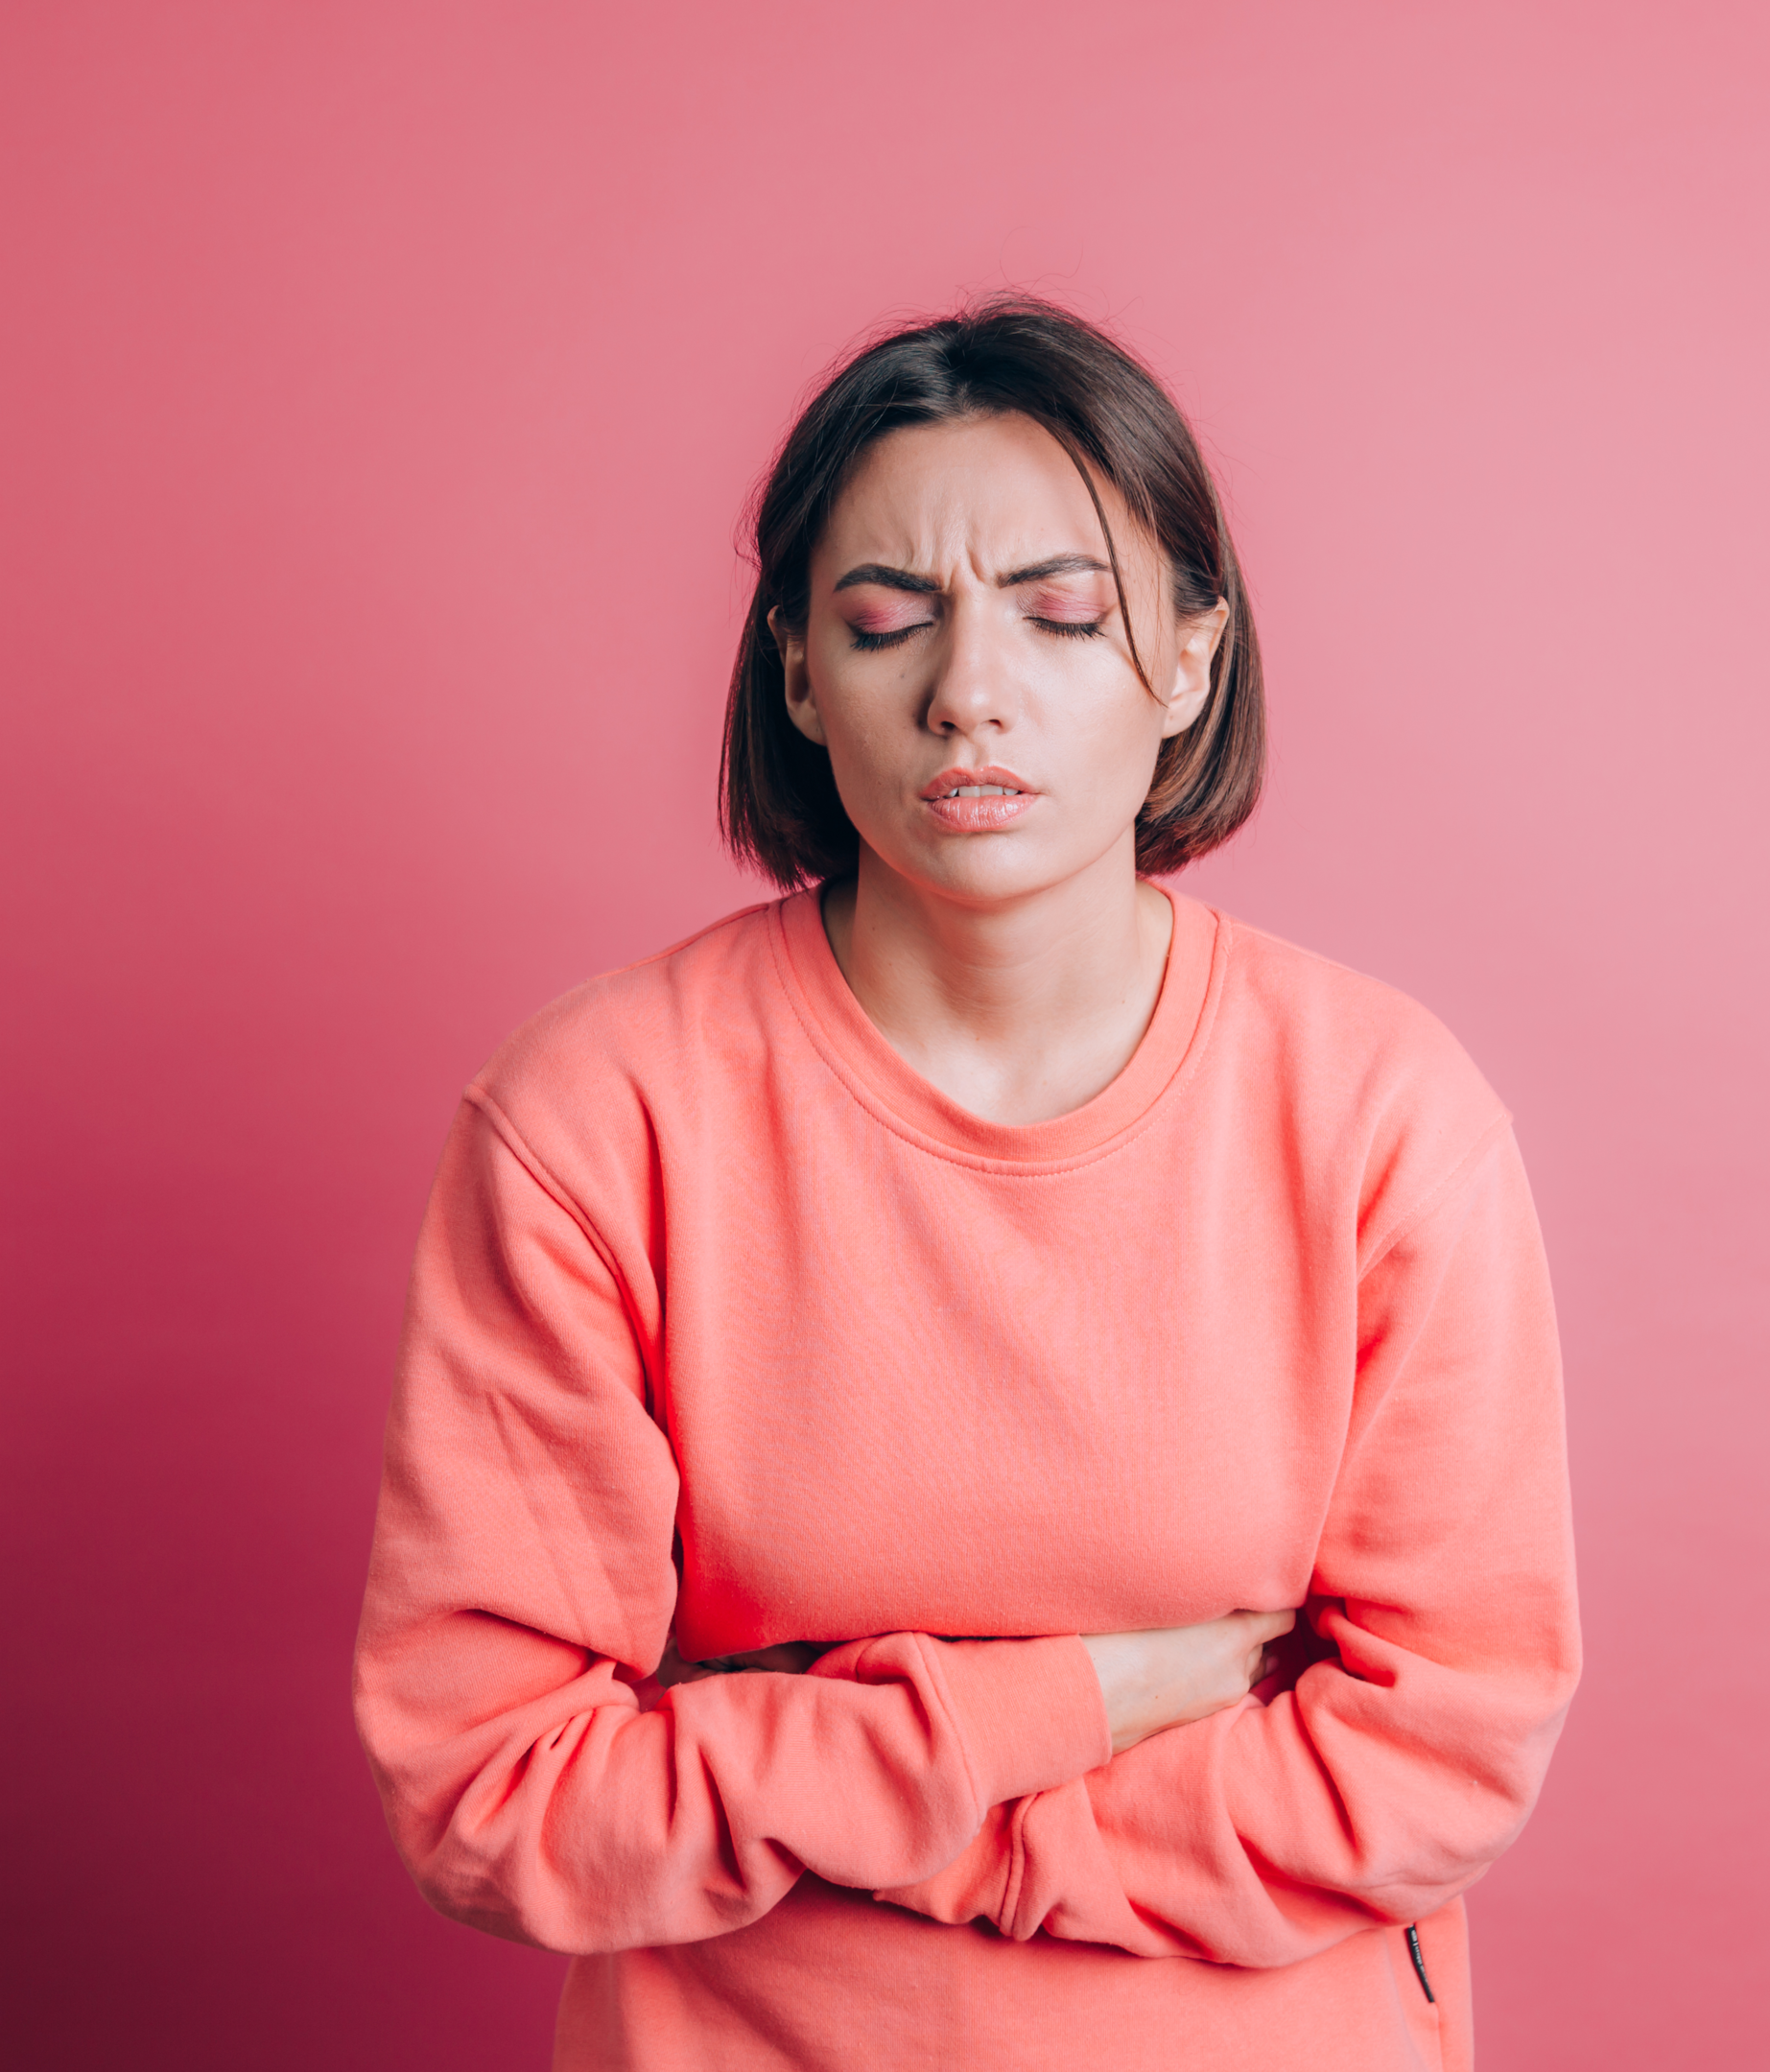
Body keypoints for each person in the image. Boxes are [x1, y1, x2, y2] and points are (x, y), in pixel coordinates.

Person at [351, 297, 1581, 2070]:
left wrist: (905, 1803)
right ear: (795, 669)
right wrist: (1096, 1696)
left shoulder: (1387, 1118)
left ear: (1190, 661)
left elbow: (1439, 1758)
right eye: (883, 619)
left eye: (1064, 612)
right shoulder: (595, 1118)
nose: (968, 690)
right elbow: (492, 1787)